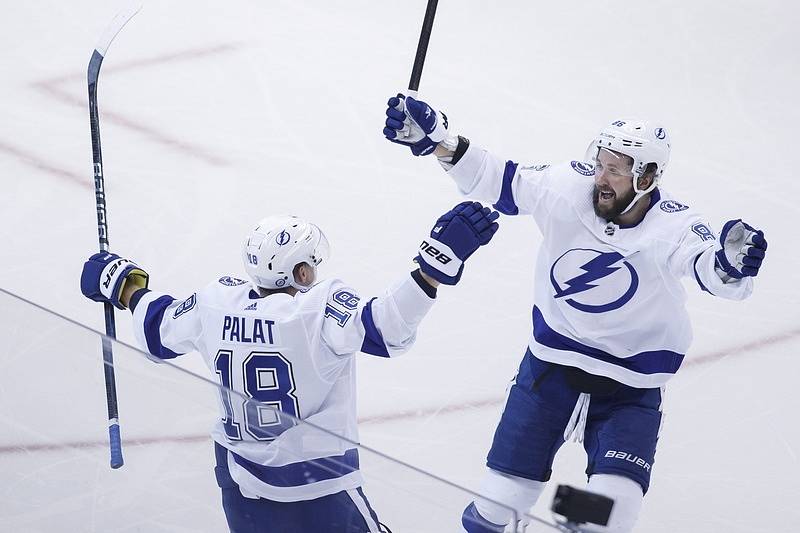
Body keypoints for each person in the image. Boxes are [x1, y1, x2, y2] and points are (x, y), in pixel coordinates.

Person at [383, 94, 768, 532]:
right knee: (495, 510)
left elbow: (709, 267)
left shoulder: (675, 226)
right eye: (600, 163)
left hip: (628, 392)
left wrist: (730, 265)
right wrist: (438, 140)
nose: (601, 178)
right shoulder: (568, 186)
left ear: (648, 177)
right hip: (549, 375)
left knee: (603, 519)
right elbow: (498, 180)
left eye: (616, 170)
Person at [80, 202, 500, 533]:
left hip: (243, 484)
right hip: (319, 485)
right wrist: (431, 270)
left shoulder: (215, 302)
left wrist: (123, 285)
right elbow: (385, 328)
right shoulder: (316, 309)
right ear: (300, 271)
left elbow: (158, 328)